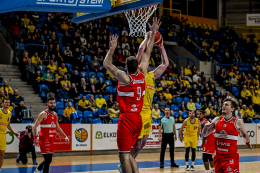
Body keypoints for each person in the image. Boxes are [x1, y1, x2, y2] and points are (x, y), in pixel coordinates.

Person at [103, 18, 159, 172]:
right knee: (130, 156)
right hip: (138, 119)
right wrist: (153, 32)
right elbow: (148, 52)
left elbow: (107, 64)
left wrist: (112, 48)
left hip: (127, 118)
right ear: (138, 67)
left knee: (124, 156)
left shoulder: (126, 79)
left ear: (126, 67)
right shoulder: (142, 75)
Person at [131, 20, 169, 161]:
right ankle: (127, 161)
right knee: (137, 141)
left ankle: (130, 160)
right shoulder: (137, 74)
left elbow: (166, 64)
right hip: (139, 112)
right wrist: (148, 38)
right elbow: (142, 51)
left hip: (148, 112)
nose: (143, 64)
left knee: (144, 142)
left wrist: (162, 47)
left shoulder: (152, 76)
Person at [202, 98, 252, 173]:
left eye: (226, 105)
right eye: (223, 104)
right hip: (218, 157)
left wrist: (247, 142)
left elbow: (244, 134)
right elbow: (205, 134)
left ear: (232, 109)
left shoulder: (238, 122)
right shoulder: (217, 120)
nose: (223, 106)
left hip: (231, 157)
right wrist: (205, 128)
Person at [33, 97, 69, 173]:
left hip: (50, 141)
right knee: (48, 159)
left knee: (48, 160)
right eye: (51, 103)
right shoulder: (43, 114)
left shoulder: (55, 114)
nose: (53, 104)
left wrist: (65, 136)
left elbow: (58, 128)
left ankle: (37, 170)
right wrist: (35, 138)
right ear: (47, 104)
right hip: (43, 139)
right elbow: (34, 126)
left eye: (54, 103)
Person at [0, 98, 19, 171]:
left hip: (3, 135)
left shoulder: (9, 113)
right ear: (2, 103)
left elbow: (8, 125)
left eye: (8, 102)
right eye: (6, 102)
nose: (7, 104)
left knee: (2, 154)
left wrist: (14, 133)